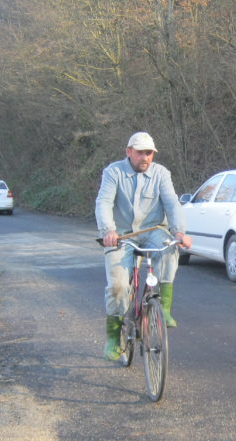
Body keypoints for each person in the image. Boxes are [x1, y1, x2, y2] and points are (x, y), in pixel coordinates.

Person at [95, 131, 192, 361]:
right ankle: (113, 336)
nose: (145, 158)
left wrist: (179, 231)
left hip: (153, 231)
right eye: (140, 153)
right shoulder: (113, 172)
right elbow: (104, 202)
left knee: (170, 247)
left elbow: (172, 202)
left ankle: (164, 309)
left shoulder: (161, 173)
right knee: (118, 285)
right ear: (129, 152)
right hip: (121, 235)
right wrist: (108, 231)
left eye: (149, 153)